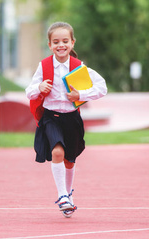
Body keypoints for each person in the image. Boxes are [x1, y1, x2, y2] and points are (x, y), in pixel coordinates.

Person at [25, 22, 107, 218]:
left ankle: (68, 195)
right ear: (49, 44)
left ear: (72, 42)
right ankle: (62, 195)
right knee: (57, 152)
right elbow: (29, 91)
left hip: (71, 119)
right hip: (50, 117)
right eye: (56, 42)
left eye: (64, 41)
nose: (60, 45)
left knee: (70, 160)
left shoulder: (79, 67)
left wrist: (81, 94)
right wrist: (39, 88)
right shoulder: (43, 66)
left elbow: (102, 87)